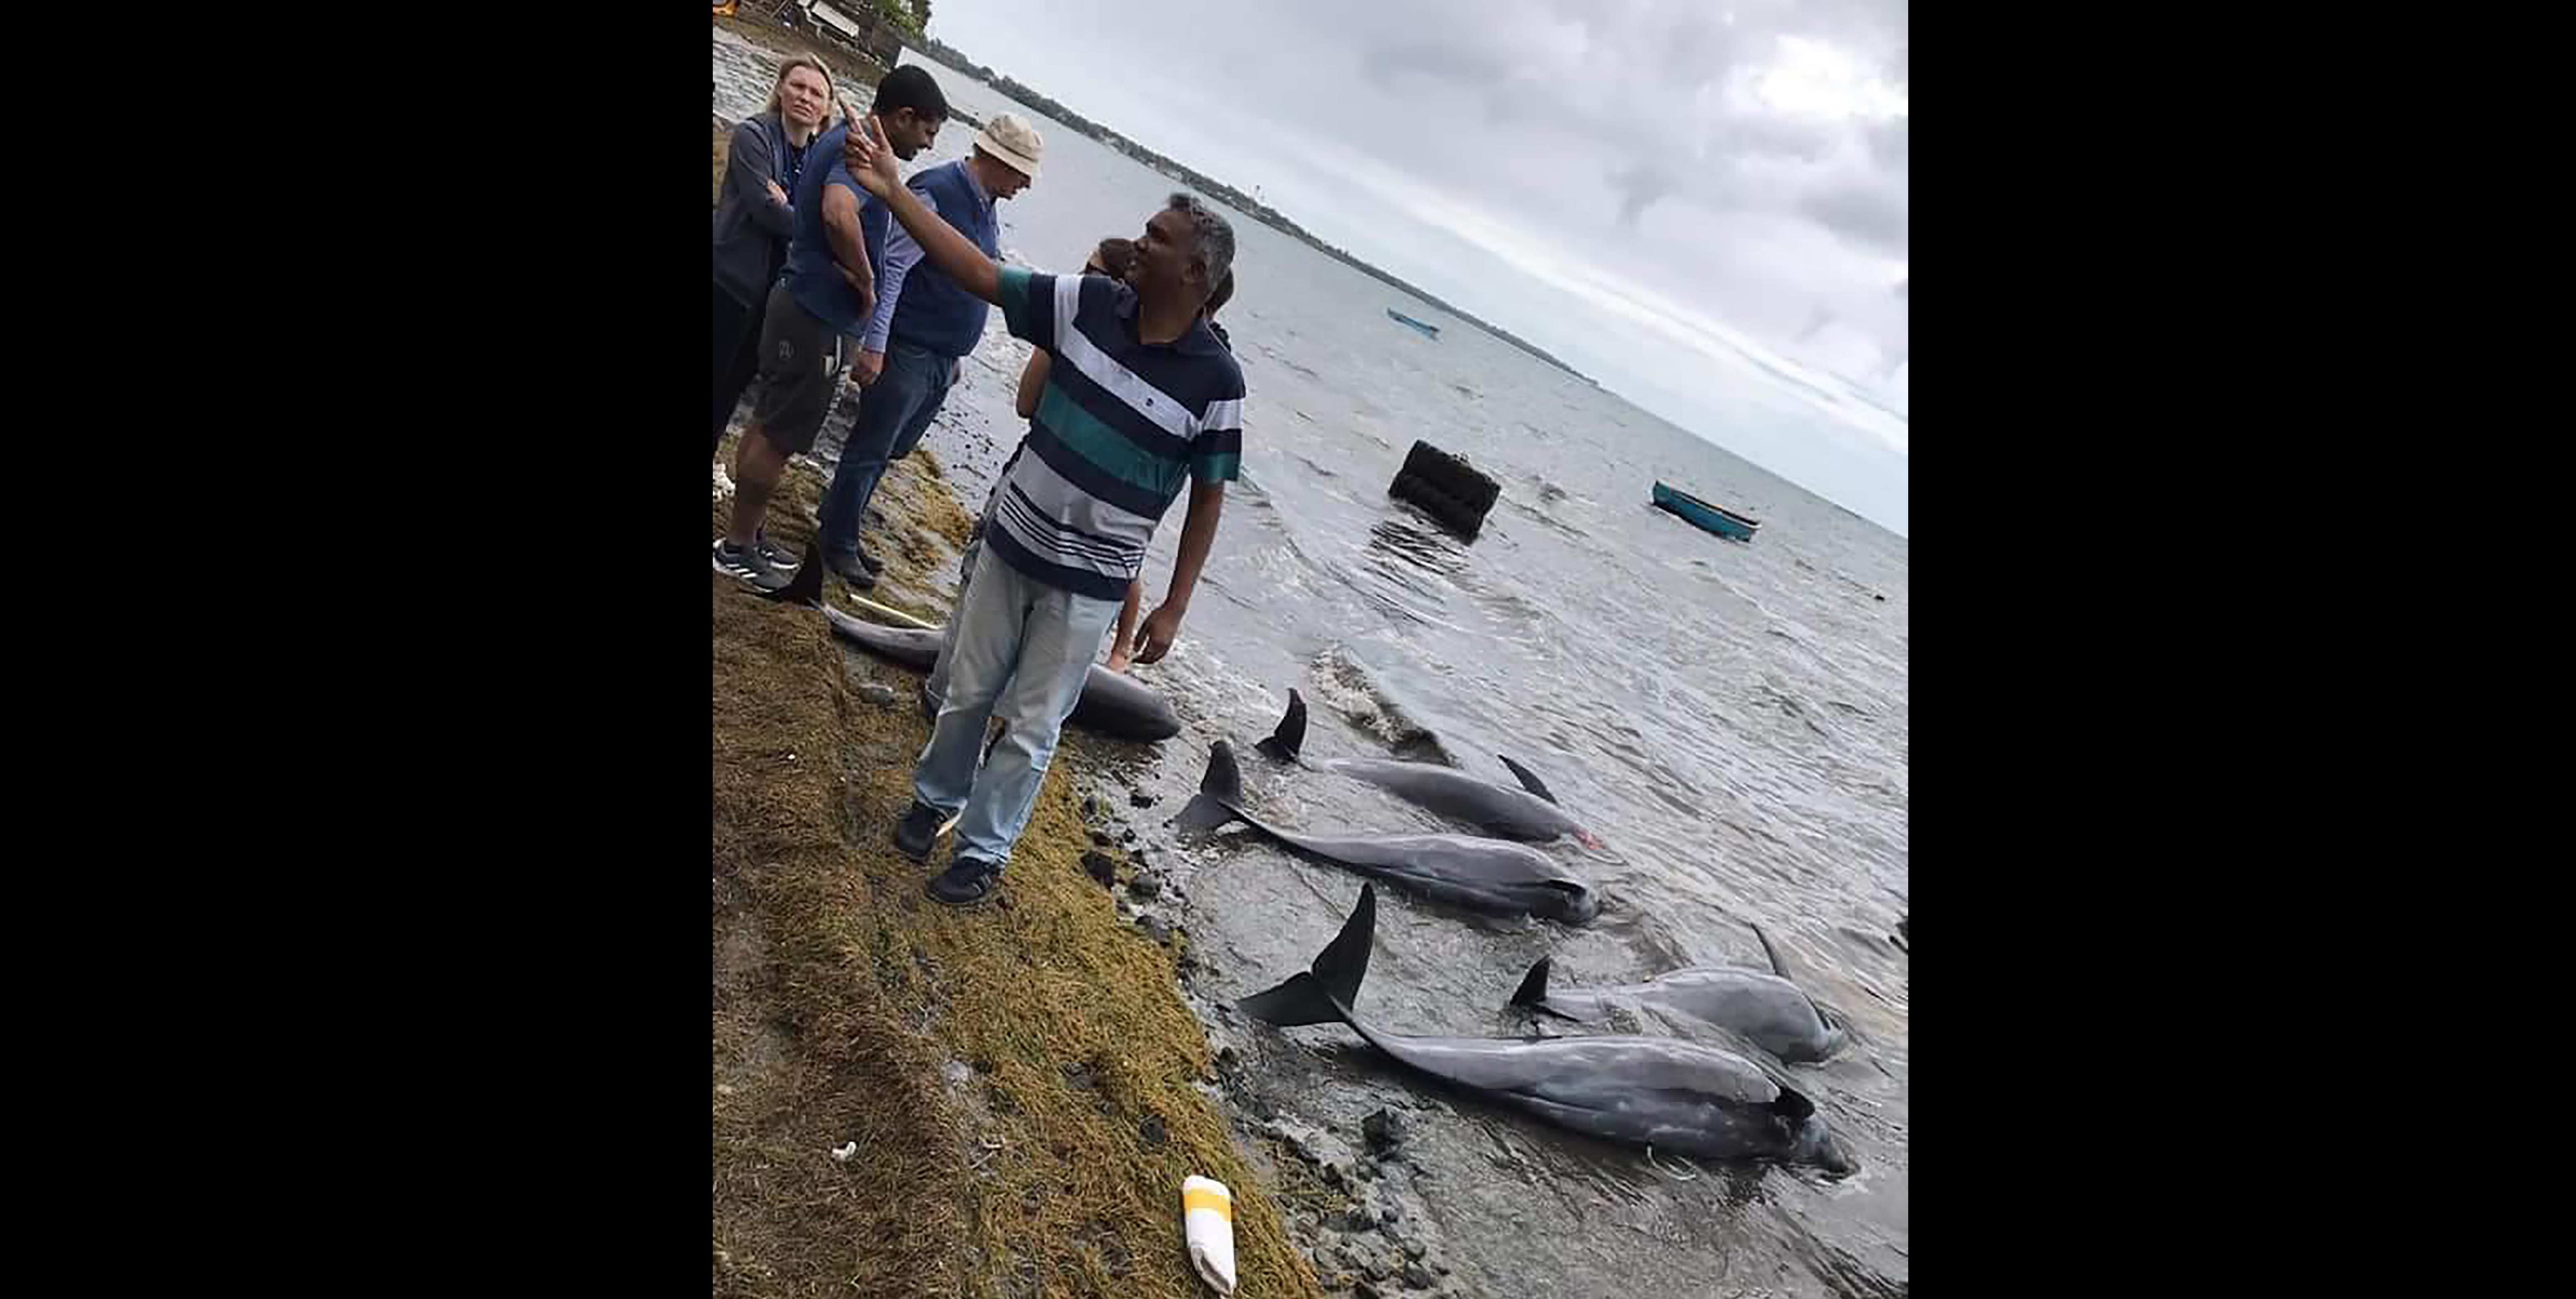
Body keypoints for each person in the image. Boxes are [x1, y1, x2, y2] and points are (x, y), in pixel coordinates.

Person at [845, 116, 1245, 907]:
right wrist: (894, 191)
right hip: (1010, 545)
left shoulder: (1218, 383)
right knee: (965, 689)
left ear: (1194, 272)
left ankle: (984, 851)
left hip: (1090, 587)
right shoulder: (1089, 303)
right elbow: (982, 274)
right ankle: (934, 802)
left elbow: (1208, 498)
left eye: (1156, 238)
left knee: (1031, 726)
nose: (1138, 243)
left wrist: (1171, 607)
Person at [713, 67, 950, 590]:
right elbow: (839, 212)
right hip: (816, 316)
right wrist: (867, 284)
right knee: (777, 436)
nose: (930, 143)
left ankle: (746, 536)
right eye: (927, 130)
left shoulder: (848, 139)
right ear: (903, 117)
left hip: (802, 304)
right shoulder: (856, 149)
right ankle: (735, 546)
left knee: (769, 422)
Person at [810, 113, 1043, 591]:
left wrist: (954, 357)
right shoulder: (937, 190)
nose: (1025, 184)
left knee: (894, 447)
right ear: (997, 160)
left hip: (940, 355)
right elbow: (893, 268)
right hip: (908, 346)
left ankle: (840, 518)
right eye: (1021, 172)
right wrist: (875, 346)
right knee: (872, 446)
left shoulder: (985, 203)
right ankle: (838, 540)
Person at [713, 56, 833, 468]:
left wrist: (794, 209)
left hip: (776, 297)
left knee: (733, 392)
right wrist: (807, 219)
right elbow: (767, 211)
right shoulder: (754, 136)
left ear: (827, 107)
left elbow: (829, 218)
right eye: (798, 86)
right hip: (729, 284)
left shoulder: (821, 157)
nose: (805, 97)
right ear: (781, 89)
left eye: (816, 92)